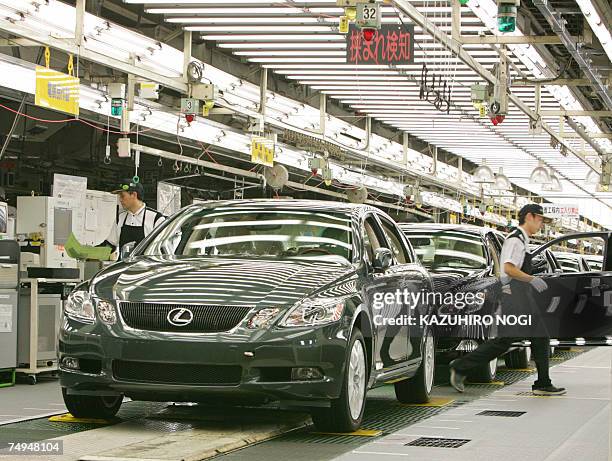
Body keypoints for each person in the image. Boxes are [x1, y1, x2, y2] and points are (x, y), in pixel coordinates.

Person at [449, 204, 566, 396]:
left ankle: (543, 382)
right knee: (505, 341)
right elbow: (510, 268)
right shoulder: (516, 240)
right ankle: (461, 366)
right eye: (540, 219)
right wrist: (532, 279)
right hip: (515, 297)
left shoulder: (522, 239)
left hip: (519, 296)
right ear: (529, 216)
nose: (541, 224)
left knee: (539, 336)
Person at [98, 179, 165, 257]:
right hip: (124, 267)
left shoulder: (156, 219)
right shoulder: (120, 218)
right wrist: (90, 252)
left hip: (146, 268)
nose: (120, 199)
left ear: (134, 195)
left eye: (122, 196)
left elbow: (163, 250)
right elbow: (110, 245)